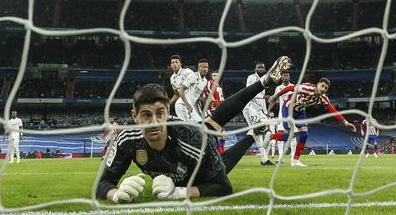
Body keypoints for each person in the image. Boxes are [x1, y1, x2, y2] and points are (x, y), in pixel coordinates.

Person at [96, 57, 292, 202]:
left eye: (160, 113)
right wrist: (116, 194)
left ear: (168, 112)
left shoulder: (192, 138)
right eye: (146, 115)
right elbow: (102, 184)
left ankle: (264, 82)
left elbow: (223, 186)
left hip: (196, 145)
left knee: (213, 131)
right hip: (189, 140)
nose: (154, 122)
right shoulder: (126, 140)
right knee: (213, 129)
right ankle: (251, 134)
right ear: (134, 116)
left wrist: (180, 192)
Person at [269, 78, 356, 167]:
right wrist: (276, 96)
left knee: (304, 134)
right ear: (317, 84)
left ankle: (295, 161)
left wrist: (345, 122)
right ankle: (270, 136)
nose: (323, 89)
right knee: (288, 136)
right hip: (288, 108)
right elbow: (290, 88)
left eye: (326, 88)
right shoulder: (307, 88)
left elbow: (332, 109)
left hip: (300, 111)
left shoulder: (323, 97)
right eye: (322, 86)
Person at [242, 61, 274, 164]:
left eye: (263, 68)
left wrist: (265, 112)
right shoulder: (251, 78)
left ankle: (262, 155)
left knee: (269, 132)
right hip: (249, 107)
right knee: (258, 132)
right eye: (259, 67)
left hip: (260, 110)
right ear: (256, 69)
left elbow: (262, 99)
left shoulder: (264, 80)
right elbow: (248, 93)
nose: (261, 69)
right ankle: (265, 159)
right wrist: (263, 96)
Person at [167, 55, 203, 122]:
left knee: (199, 121)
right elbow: (177, 94)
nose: (174, 64)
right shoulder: (172, 78)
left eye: (176, 62)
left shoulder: (187, 72)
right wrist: (168, 104)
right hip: (183, 103)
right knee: (188, 123)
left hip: (193, 101)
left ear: (180, 64)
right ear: (170, 65)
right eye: (172, 62)